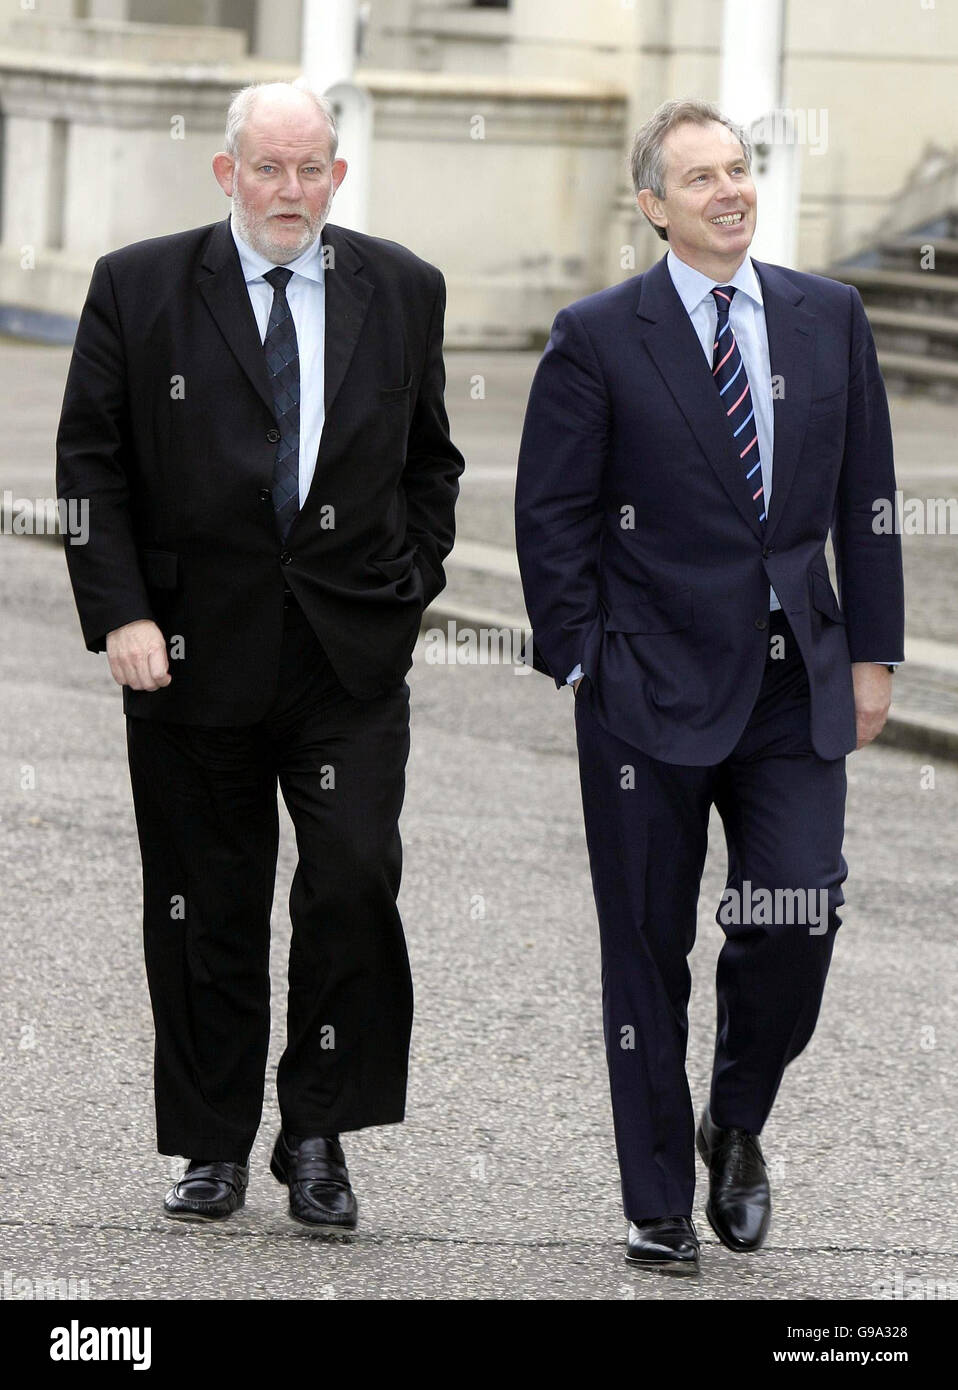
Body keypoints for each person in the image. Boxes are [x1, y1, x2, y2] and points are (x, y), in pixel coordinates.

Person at [56, 79, 464, 1232]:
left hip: (346, 657)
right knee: (203, 902)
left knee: (350, 881)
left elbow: (430, 463)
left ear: (338, 173)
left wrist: (409, 584)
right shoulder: (139, 287)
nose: (293, 190)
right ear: (227, 173)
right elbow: (90, 467)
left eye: (314, 167)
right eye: (270, 168)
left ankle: (320, 1128)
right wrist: (122, 614)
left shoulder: (402, 288)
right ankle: (210, 1141)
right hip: (185, 655)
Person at [514, 98, 904, 1274]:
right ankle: (654, 1202)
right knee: (643, 946)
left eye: (739, 170)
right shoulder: (597, 334)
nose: (729, 191)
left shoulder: (828, 315)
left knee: (797, 909)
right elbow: (552, 515)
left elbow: (867, 500)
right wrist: (583, 655)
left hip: (796, 683)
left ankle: (734, 1119)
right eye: (700, 179)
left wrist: (875, 652)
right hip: (645, 685)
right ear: (653, 206)